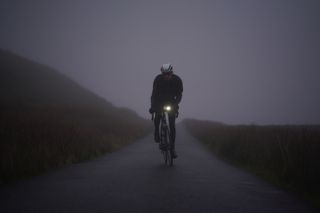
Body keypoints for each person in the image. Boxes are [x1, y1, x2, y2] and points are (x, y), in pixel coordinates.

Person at [149, 63, 183, 158]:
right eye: (164, 74)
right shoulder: (158, 80)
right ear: (162, 73)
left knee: (172, 126)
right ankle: (156, 132)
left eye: (168, 74)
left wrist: (176, 104)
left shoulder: (177, 80)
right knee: (158, 116)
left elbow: (179, 95)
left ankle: (172, 149)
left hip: (172, 102)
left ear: (171, 73)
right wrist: (152, 107)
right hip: (160, 102)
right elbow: (153, 95)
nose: (166, 76)